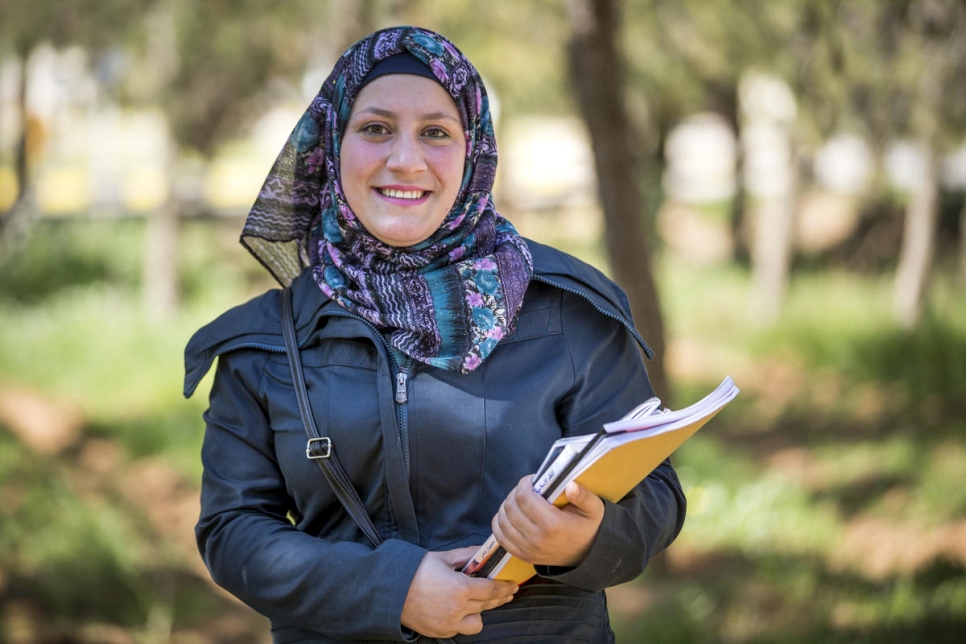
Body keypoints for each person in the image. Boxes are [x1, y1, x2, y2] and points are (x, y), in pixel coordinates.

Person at [183, 26, 686, 644]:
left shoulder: (568, 311)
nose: (405, 159)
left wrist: (587, 537)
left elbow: (655, 495)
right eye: (374, 128)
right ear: (329, 143)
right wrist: (393, 590)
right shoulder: (263, 341)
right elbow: (233, 529)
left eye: (436, 132)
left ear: (472, 149)